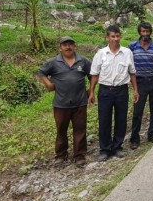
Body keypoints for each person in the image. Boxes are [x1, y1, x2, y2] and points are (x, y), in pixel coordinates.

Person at [37, 36, 92, 167]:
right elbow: (40, 73)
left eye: (71, 44)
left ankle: (79, 155)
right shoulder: (53, 62)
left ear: (75, 46)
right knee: (61, 130)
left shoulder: (83, 61)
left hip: (80, 102)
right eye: (65, 45)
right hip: (61, 104)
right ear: (60, 48)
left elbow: (93, 75)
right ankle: (61, 155)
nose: (68, 47)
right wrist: (48, 85)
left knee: (80, 129)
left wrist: (91, 90)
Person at [88, 25, 139, 161]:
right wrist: (91, 92)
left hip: (122, 90)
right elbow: (94, 74)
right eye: (112, 36)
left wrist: (136, 90)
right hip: (105, 91)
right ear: (107, 37)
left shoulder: (127, 52)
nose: (115, 39)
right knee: (104, 120)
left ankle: (117, 147)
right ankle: (104, 149)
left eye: (117, 36)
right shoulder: (101, 54)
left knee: (121, 119)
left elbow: (132, 73)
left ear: (120, 36)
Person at [128, 22, 153, 150]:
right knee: (137, 111)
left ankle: (152, 133)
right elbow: (128, 64)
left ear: (150, 32)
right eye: (143, 31)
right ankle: (134, 138)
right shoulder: (132, 47)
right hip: (139, 82)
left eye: (147, 31)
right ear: (139, 32)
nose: (145, 34)